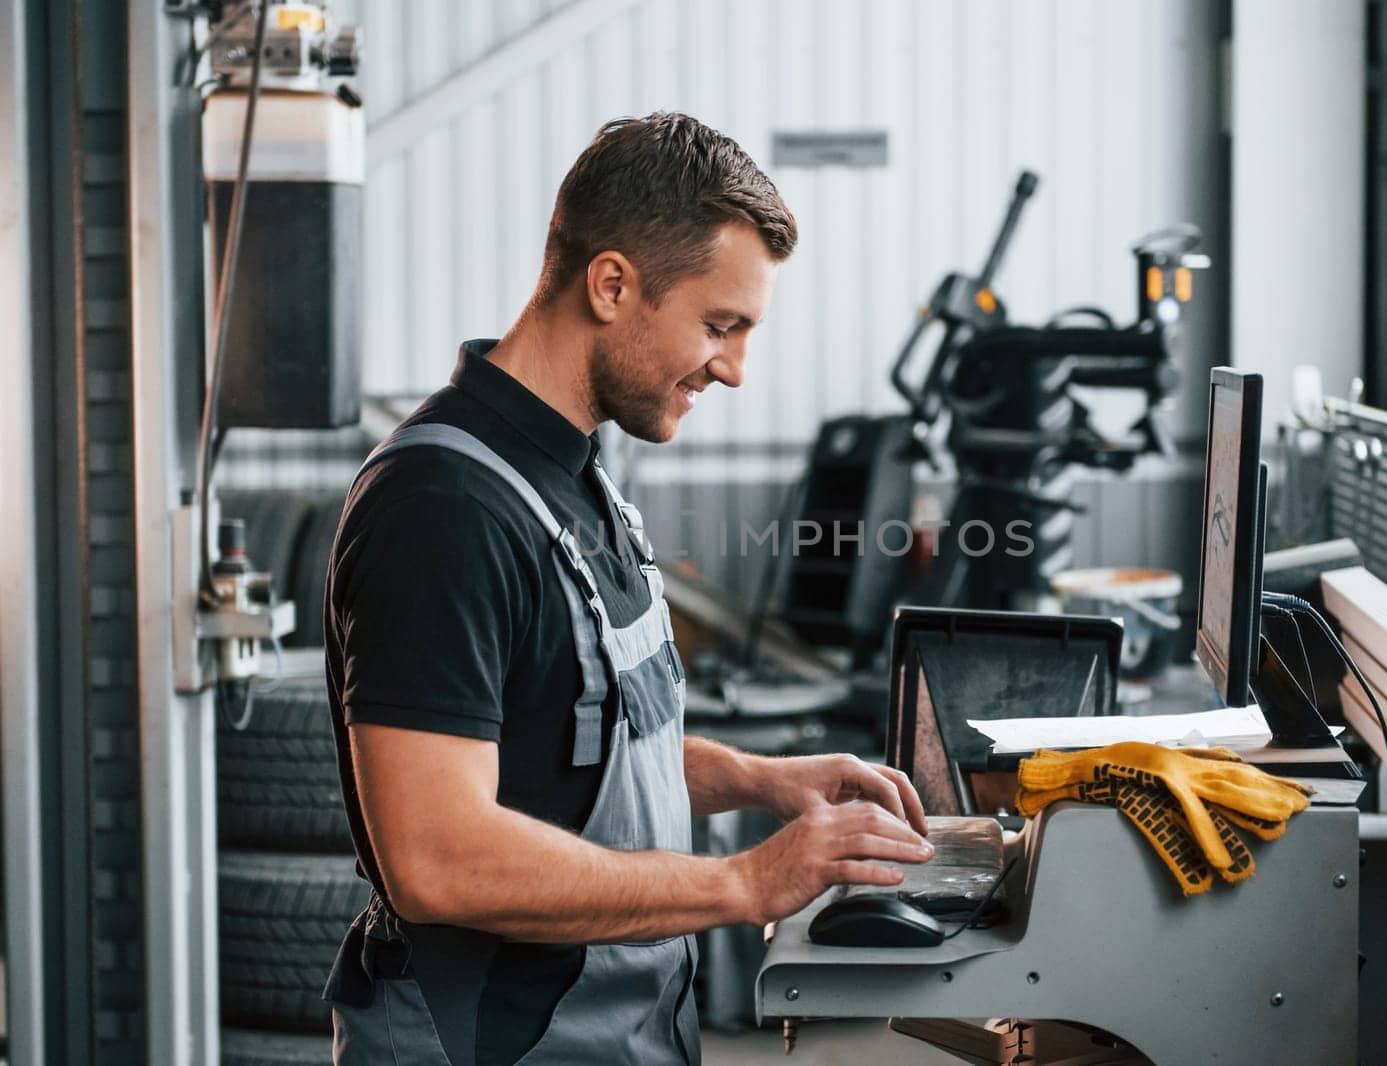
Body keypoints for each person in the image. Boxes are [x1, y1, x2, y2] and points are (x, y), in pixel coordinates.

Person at [321, 112, 932, 1065]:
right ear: (612, 284)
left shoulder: (571, 470)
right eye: (719, 325)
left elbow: (567, 744)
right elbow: (436, 860)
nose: (732, 367)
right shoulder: (444, 507)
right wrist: (742, 884)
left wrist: (759, 782)